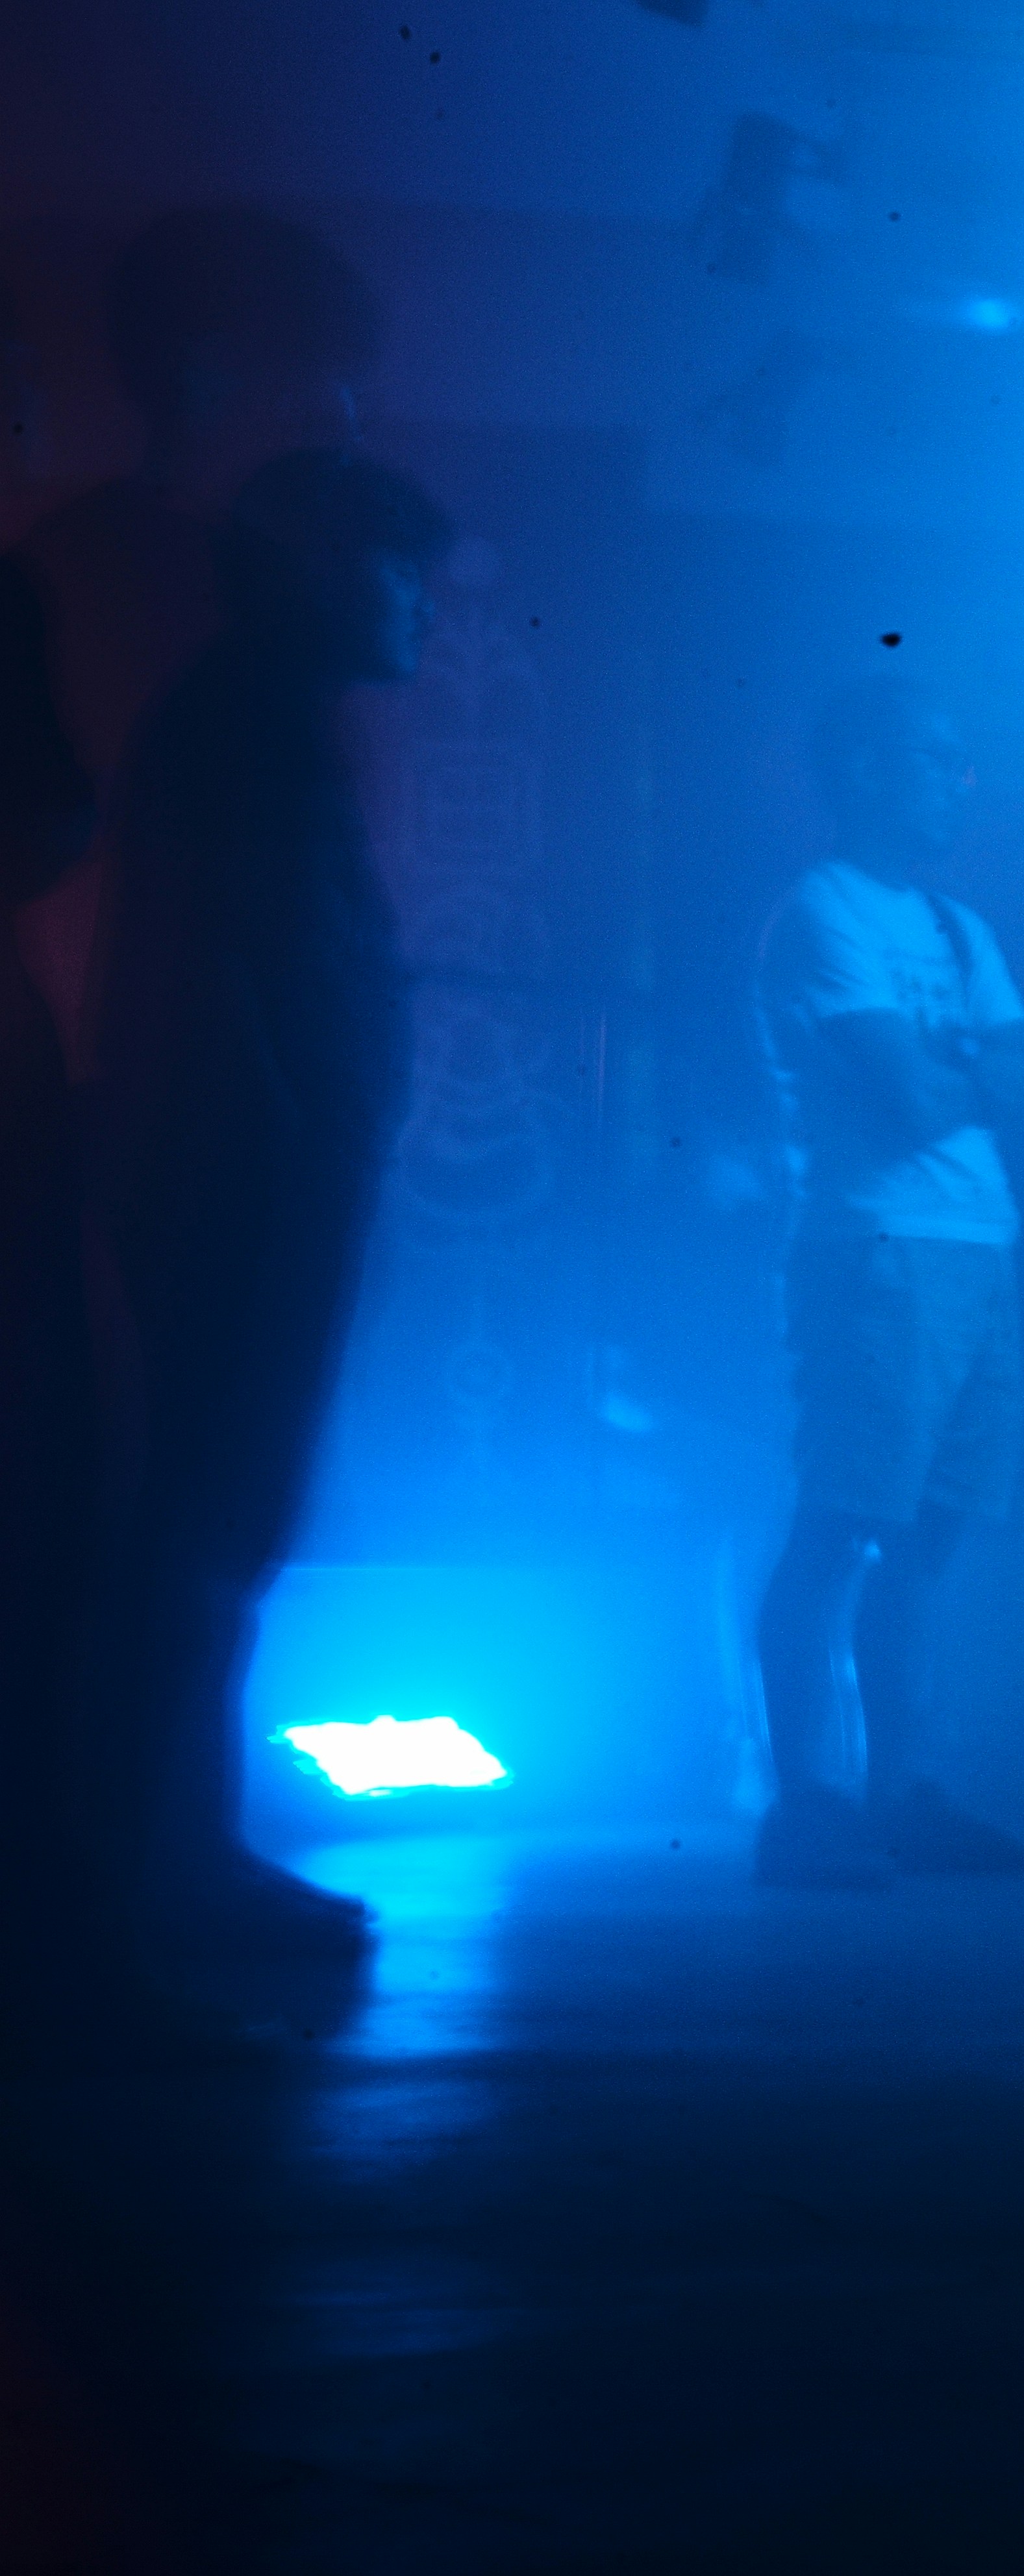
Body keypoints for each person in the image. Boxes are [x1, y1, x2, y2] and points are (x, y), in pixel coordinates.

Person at [3, 208, 386, 1975]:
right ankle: (134, 1875)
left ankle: (168, 1856)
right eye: (323, 379)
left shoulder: (171, 590)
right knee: (162, 1500)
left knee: (191, 1500)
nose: (350, 417)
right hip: (163, 1127)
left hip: (164, 1115)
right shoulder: (146, 592)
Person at [78, 449, 447, 2011]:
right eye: (397, 566)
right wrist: (288, 1154)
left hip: (266, 1182)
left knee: (221, 1524)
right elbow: (221, 972)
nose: (421, 602)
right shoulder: (245, 727)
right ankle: (146, 1885)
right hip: (247, 1190)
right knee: (206, 1524)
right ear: (316, 567)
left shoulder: (259, 721)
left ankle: (181, 1859)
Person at [747, 679, 1024, 1890]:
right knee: (843, 1521)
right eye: (935, 759)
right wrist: (970, 1067)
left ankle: (900, 1795)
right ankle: (806, 1806)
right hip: (879, 1246)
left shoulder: (958, 924)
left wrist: (954, 1070)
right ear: (865, 768)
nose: (957, 783)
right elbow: (916, 1096)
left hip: (977, 1244)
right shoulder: (822, 912)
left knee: (931, 1533)